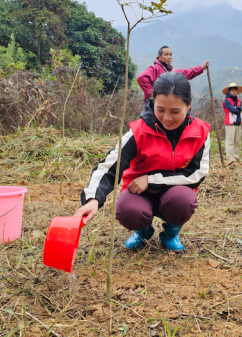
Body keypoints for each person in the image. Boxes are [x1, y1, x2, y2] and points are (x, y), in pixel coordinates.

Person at [75, 72, 210, 252]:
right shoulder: (138, 131)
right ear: (153, 102)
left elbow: (197, 174)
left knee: (184, 200)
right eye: (160, 110)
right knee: (127, 209)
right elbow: (109, 166)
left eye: (175, 112)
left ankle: (170, 233)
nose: (167, 118)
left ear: (189, 104)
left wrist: (151, 179)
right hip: (137, 192)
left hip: (175, 192)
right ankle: (142, 232)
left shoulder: (200, 132)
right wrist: (93, 199)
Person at [137, 45, 209, 101]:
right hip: (154, 105)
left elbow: (187, 73)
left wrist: (201, 68)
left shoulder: (172, 71)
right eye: (166, 55)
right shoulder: (154, 68)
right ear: (159, 57)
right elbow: (141, 78)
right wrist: (152, 94)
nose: (169, 57)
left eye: (170, 55)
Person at [222, 82, 242, 164]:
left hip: (238, 122)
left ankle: (237, 157)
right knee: (230, 141)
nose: (234, 92)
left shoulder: (239, 100)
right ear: (229, 91)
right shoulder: (226, 101)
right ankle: (230, 158)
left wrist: (237, 107)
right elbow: (233, 110)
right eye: (232, 90)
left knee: (237, 141)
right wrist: (239, 108)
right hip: (230, 123)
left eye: (235, 90)